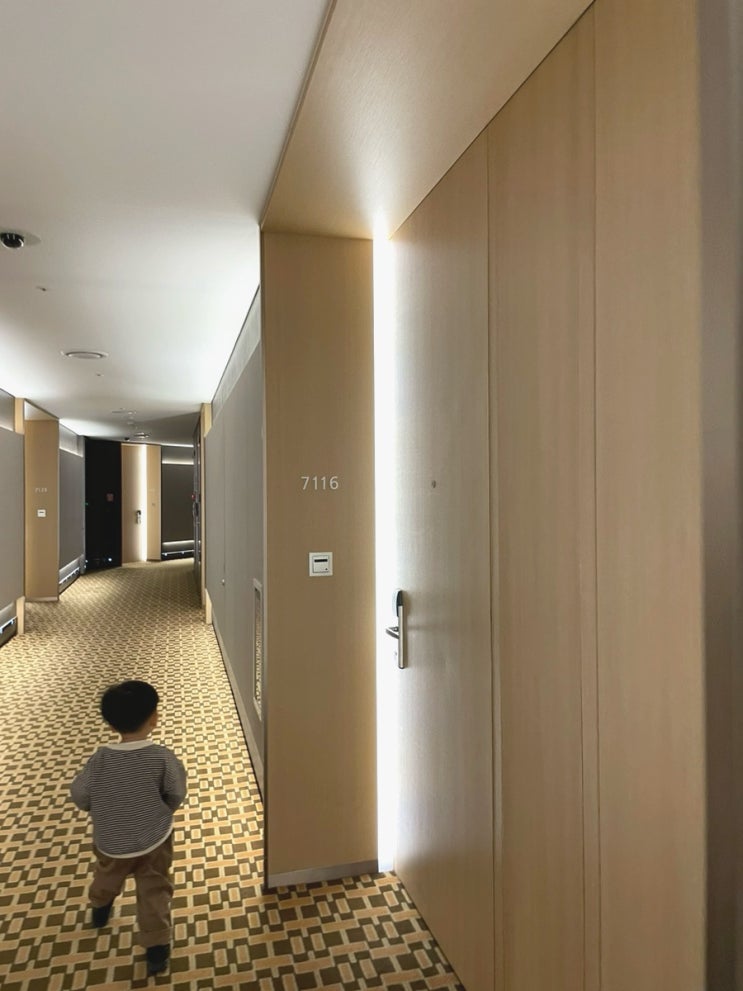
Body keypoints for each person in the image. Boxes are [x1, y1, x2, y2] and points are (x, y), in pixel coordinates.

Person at [70, 680, 187, 976]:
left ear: (111, 725)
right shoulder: (162, 758)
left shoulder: (100, 759)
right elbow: (176, 792)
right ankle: (156, 947)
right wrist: (164, 811)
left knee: (107, 875)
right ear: (154, 718)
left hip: (111, 841)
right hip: (154, 841)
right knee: (154, 891)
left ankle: (100, 906)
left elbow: (80, 794)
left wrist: (100, 810)